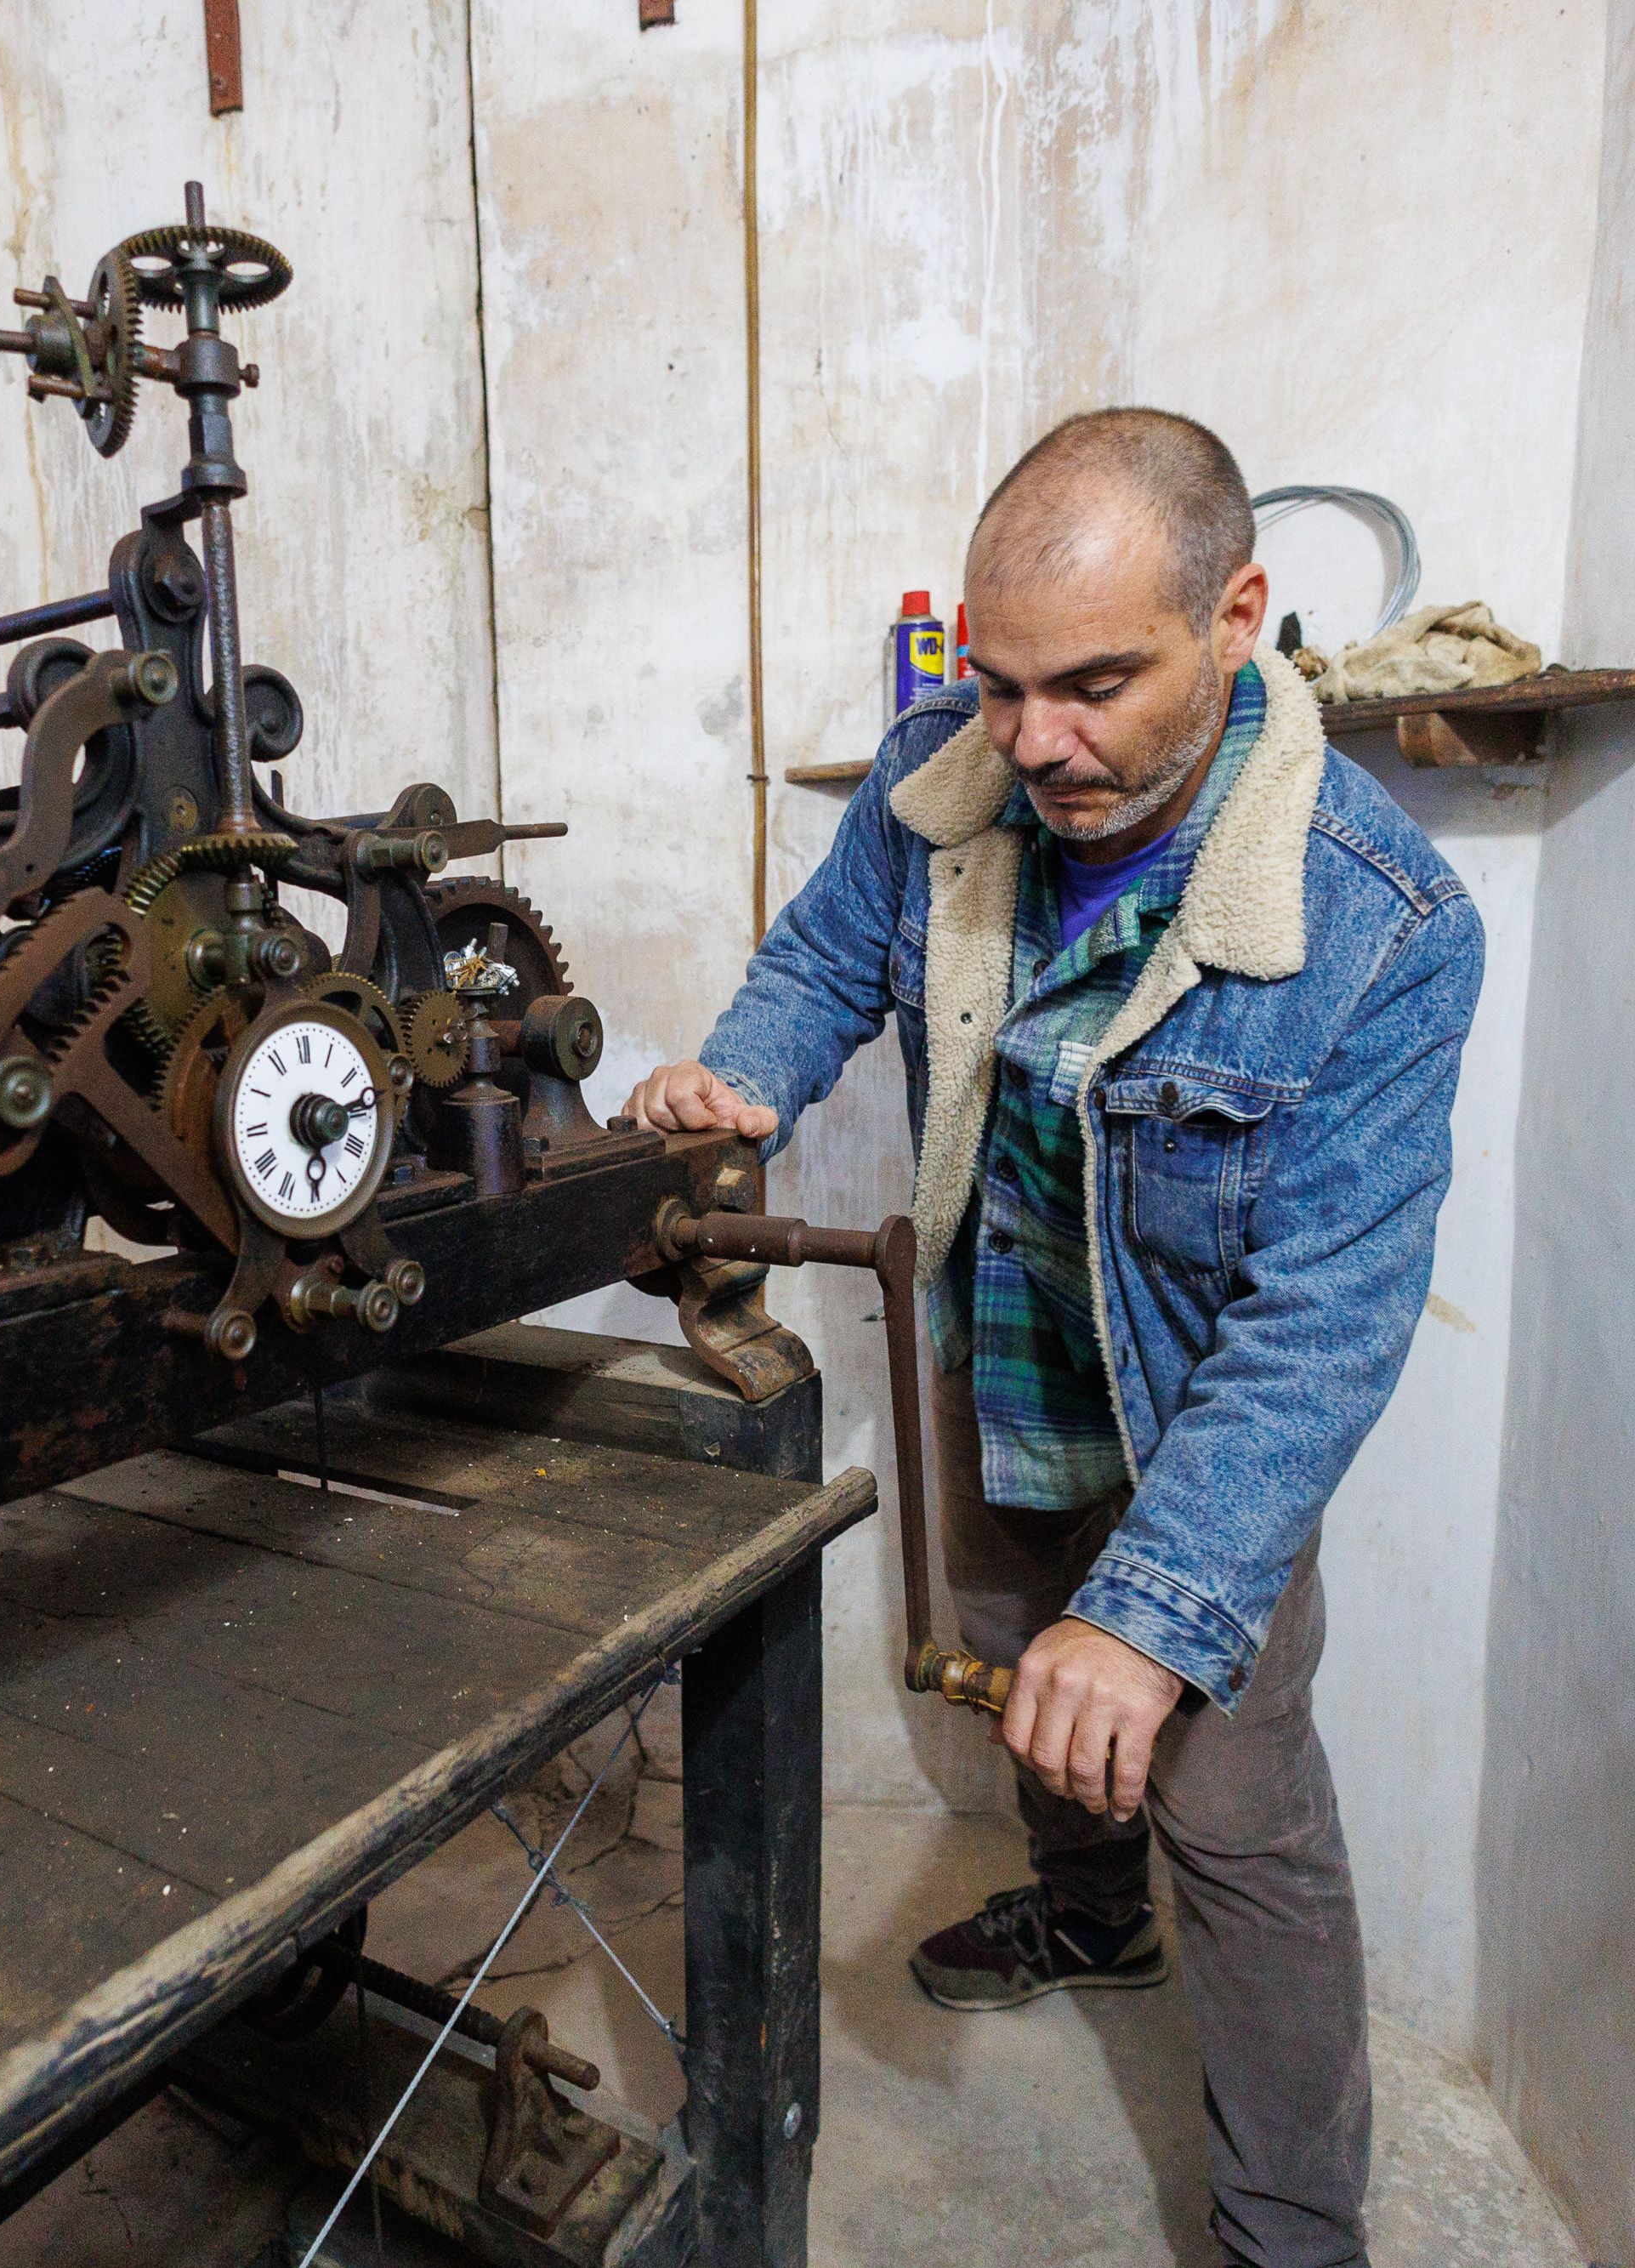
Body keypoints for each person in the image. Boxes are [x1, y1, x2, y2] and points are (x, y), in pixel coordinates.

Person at [626, 408, 1481, 2268]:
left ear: (1236, 613)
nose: (1032, 743)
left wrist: (1159, 1604)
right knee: (1017, 1658)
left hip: (1199, 1406)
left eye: (1092, 685)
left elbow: (1320, 1321)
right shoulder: (948, 773)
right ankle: (1088, 1913)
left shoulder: (1378, 919)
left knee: (1234, 1803)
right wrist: (738, 1080)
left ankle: (1292, 2230)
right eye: (999, 687)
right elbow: (821, 959)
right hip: (995, 1335)